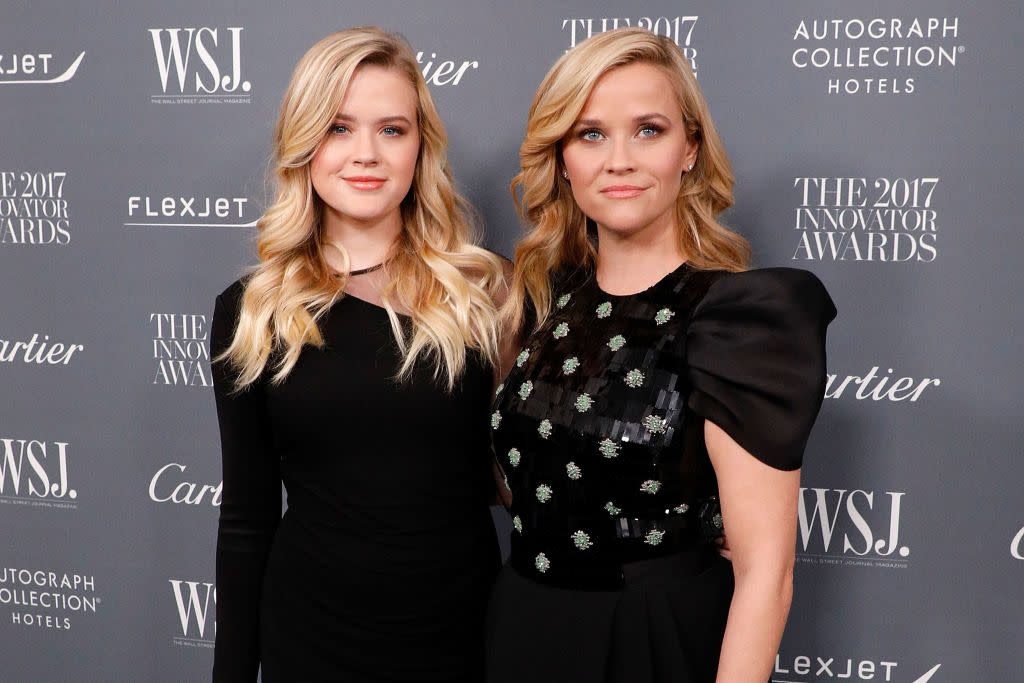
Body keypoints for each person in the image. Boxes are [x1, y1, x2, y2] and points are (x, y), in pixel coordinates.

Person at [486, 28, 836, 683]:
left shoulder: (737, 318)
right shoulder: (538, 299)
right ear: (561, 158)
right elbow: (524, 476)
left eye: (648, 129)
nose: (619, 159)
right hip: (522, 623)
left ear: (690, 149)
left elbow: (768, 574)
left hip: (653, 635)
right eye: (590, 134)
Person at [210, 27, 510, 682]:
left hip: (465, 638)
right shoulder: (253, 308)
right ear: (304, 145)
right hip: (311, 639)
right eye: (339, 128)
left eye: (392, 129)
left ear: (420, 147)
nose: (367, 154)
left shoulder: (488, 294)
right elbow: (246, 518)